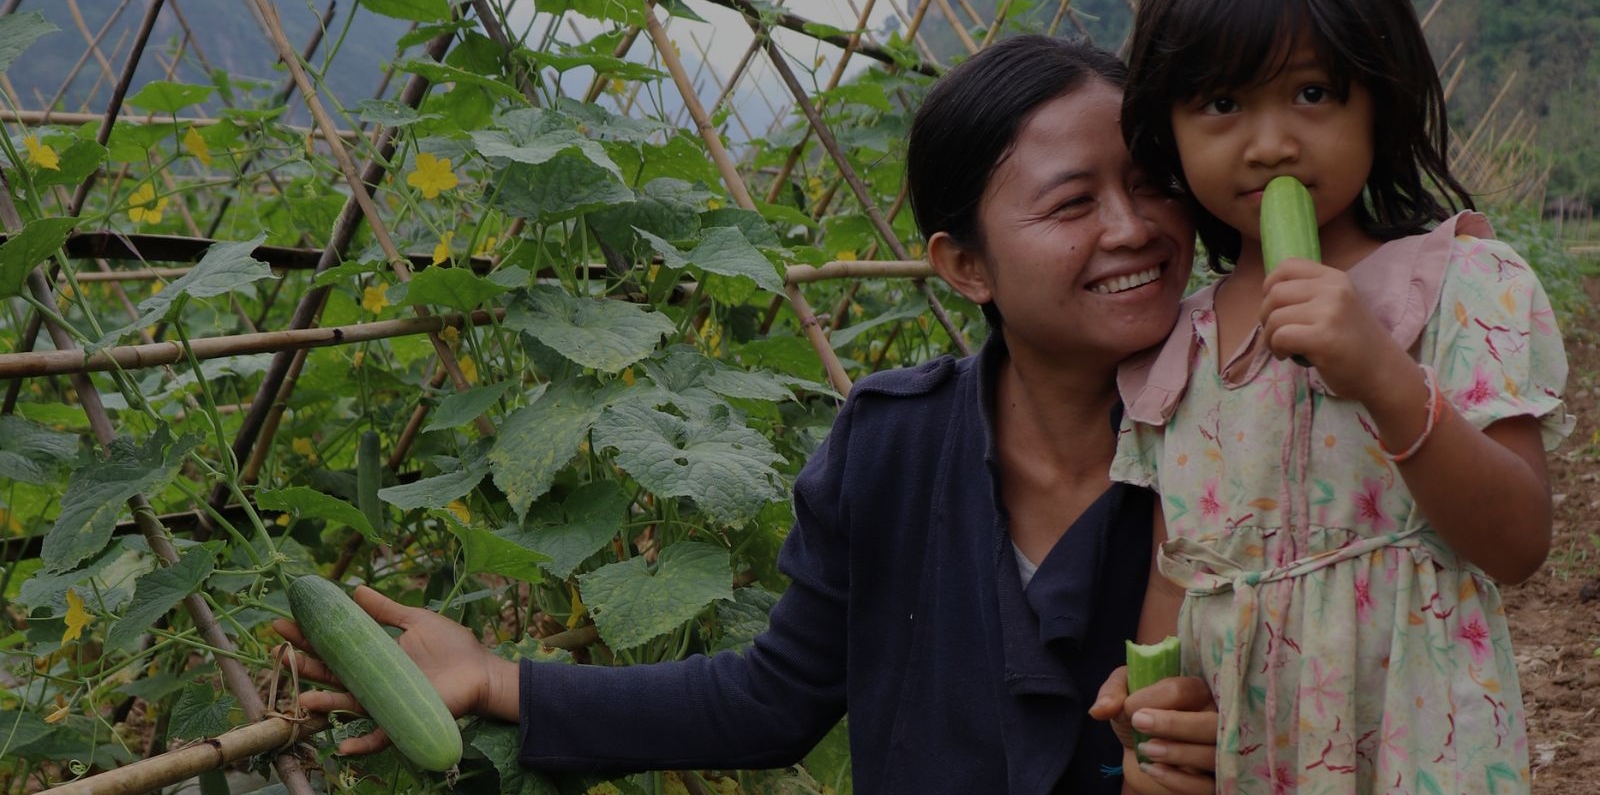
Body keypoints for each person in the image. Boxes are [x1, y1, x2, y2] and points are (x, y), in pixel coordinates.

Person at [274, 35, 1218, 795]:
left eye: (1148, 184)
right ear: (964, 265)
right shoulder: (893, 442)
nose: (1131, 227)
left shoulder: (1258, 437)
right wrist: (495, 678)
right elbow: (775, 699)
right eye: (1072, 203)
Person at [1112, 0, 1573, 792]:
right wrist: (1153, 727)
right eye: (1222, 104)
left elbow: (1518, 540)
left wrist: (1385, 376)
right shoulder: (1173, 347)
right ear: (1170, 132)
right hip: (1246, 751)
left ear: (1378, 101)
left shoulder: (1459, 286)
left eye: (1313, 93)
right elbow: (1177, 571)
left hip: (1416, 737)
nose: (1271, 144)